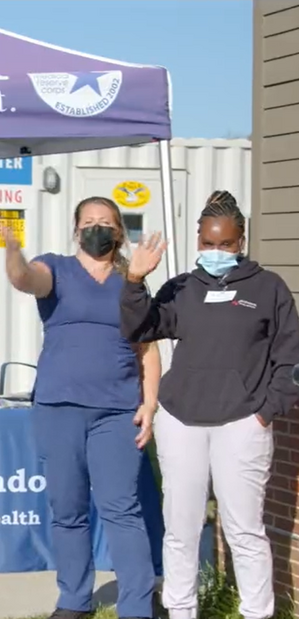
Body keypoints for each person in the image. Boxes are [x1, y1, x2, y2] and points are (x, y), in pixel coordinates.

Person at [121, 190, 299, 619]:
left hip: (243, 424)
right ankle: (181, 610)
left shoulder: (269, 288)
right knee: (181, 530)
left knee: (245, 531)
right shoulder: (183, 287)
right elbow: (139, 327)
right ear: (198, 240)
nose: (217, 251)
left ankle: (258, 612)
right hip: (181, 420)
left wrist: (265, 412)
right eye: (208, 243)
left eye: (226, 244)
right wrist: (134, 281)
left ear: (242, 241)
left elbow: (290, 359)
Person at [1, 196, 160, 619]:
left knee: (122, 510)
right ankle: (74, 601)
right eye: (88, 222)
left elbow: (147, 348)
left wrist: (149, 403)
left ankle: (137, 607)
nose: (96, 229)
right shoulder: (57, 268)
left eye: (105, 223)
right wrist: (13, 256)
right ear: (76, 229)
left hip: (116, 412)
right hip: (59, 407)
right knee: (67, 510)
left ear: (119, 232)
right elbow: (26, 279)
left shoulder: (132, 279)